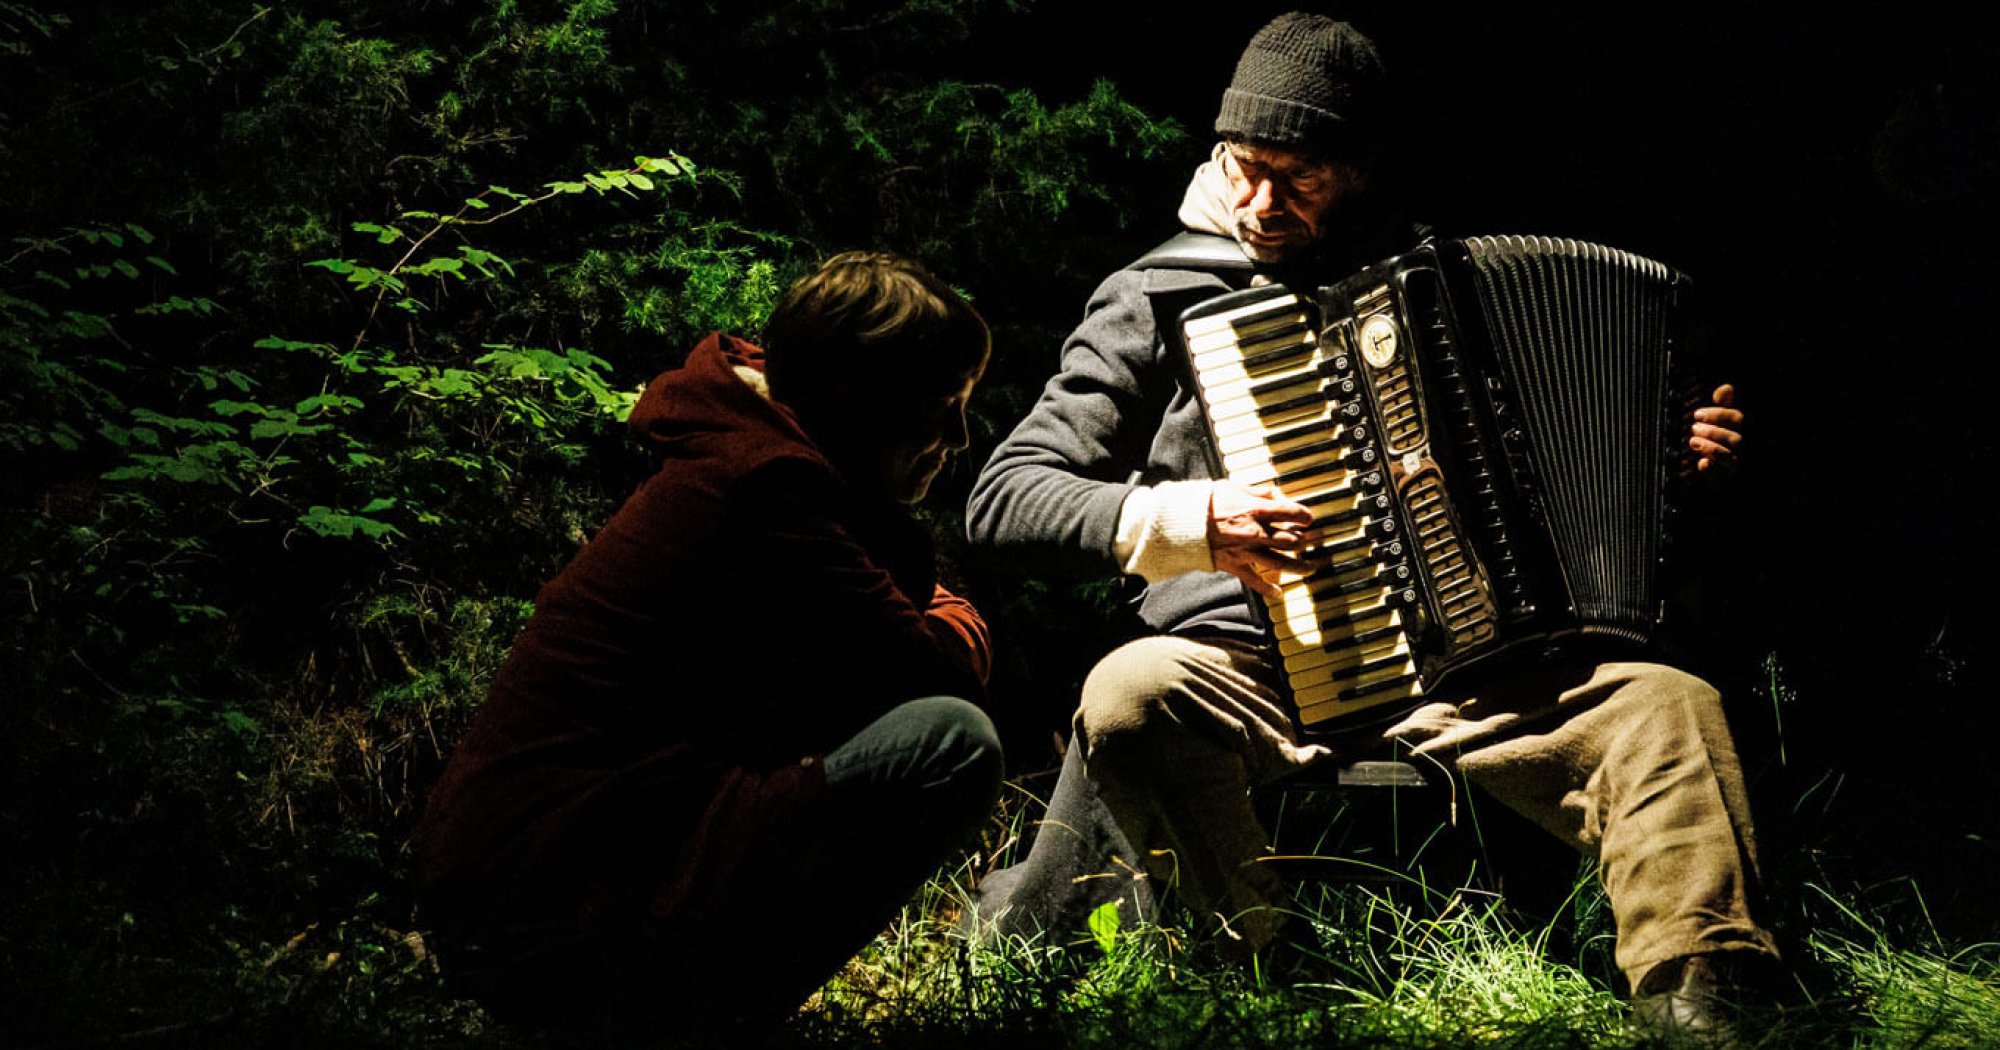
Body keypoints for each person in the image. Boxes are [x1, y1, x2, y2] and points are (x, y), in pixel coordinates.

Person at [963, 11, 1776, 1039]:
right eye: (1242, 166)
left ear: (1360, 169)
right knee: (1129, 689)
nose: (1259, 203)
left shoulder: (1446, 290)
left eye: (1297, 176)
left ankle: (1702, 998)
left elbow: (1568, 496)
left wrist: (1679, 466)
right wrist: (1190, 520)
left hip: (1466, 666)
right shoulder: (1161, 293)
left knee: (1666, 706)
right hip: (1245, 661)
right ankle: (1251, 976)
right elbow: (1007, 493)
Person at [413, 251, 1002, 1032]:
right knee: (951, 746)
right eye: (938, 404)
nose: (958, 437)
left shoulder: (757, 460)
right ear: (856, 401)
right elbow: (936, 673)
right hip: (550, 894)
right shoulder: (759, 491)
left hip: (547, 872)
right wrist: (951, 613)